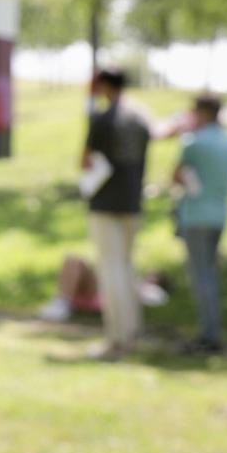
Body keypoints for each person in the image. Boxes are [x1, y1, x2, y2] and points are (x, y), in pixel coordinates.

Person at [81, 68, 151, 358]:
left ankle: (118, 337)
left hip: (106, 203)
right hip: (132, 201)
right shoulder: (140, 117)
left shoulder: (102, 118)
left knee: (112, 270)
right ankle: (132, 329)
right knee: (125, 264)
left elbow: (85, 160)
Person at [173, 96, 227, 354]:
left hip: (196, 215)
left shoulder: (194, 142)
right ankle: (210, 331)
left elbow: (178, 175)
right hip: (220, 214)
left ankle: (209, 335)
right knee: (209, 273)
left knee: (202, 276)